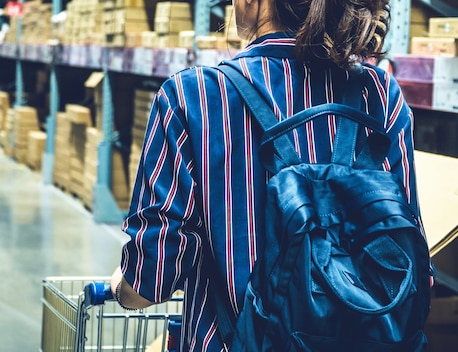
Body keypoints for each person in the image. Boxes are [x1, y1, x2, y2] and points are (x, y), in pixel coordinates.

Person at [109, 0, 423, 350]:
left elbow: (149, 282)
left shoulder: (193, 96)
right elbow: (411, 265)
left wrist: (119, 287)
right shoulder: (380, 94)